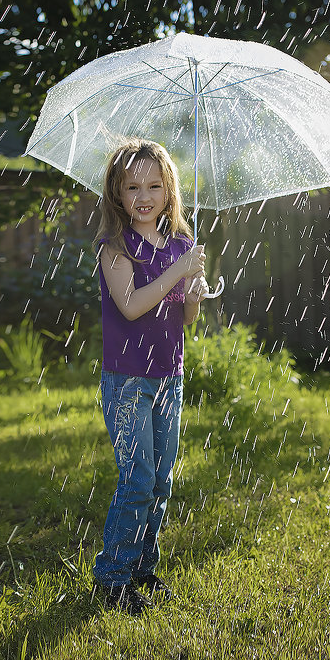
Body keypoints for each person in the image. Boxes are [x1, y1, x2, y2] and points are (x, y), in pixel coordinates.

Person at [92, 137, 208, 615]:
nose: (144, 196)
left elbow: (185, 322)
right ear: (117, 194)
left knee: (161, 481)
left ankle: (142, 565)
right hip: (127, 382)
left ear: (169, 190)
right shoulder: (115, 249)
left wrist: (195, 291)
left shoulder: (181, 243)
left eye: (154, 185)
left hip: (168, 377)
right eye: (132, 186)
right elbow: (134, 306)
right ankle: (112, 576)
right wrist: (177, 271)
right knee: (136, 479)